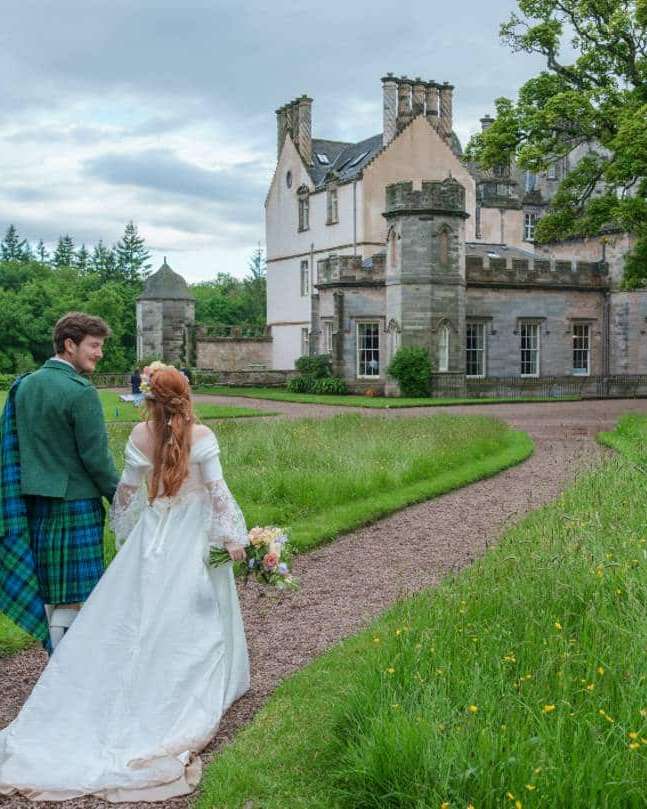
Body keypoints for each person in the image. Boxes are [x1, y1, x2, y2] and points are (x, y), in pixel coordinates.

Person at [0, 364, 250, 801]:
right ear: (185, 397)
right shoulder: (203, 436)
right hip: (190, 535)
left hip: (153, 536)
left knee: (134, 614)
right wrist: (234, 536)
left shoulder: (138, 438)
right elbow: (218, 492)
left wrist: (129, 537)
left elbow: (125, 499)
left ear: (149, 401)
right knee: (194, 612)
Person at [0, 312, 119, 652]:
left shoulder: (23, 386)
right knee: (78, 600)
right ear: (70, 345)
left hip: (34, 506)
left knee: (52, 595)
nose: (100, 353)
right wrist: (123, 499)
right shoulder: (81, 393)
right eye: (94, 346)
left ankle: (57, 667)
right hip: (76, 506)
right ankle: (70, 672)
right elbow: (97, 461)